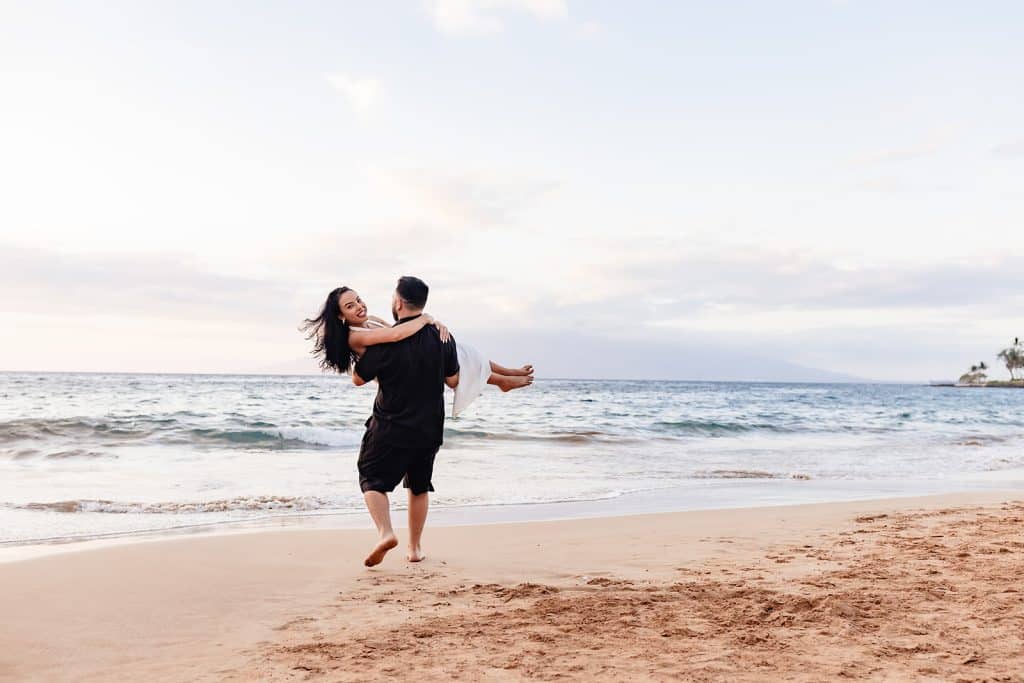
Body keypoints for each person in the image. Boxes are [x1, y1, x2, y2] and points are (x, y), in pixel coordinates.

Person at [302, 285, 533, 417]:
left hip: (406, 359)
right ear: (341, 315)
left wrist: (436, 325)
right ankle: (502, 381)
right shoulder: (354, 336)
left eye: (359, 300)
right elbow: (394, 336)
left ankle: (508, 374)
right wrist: (426, 318)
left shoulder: (370, 319)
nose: (360, 307)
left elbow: (400, 328)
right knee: (449, 356)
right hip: (399, 373)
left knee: (463, 350)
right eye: (350, 306)